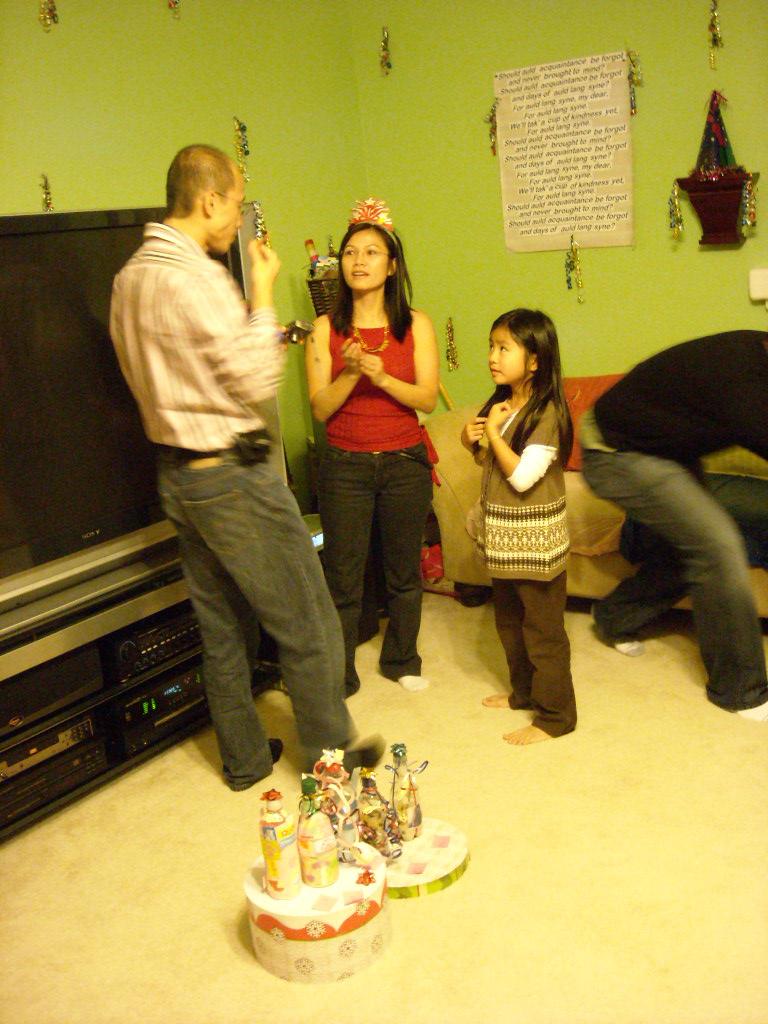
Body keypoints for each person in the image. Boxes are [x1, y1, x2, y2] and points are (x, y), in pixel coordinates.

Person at [109, 144, 382, 791]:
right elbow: (256, 377)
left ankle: (244, 759)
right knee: (307, 613)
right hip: (232, 473)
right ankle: (331, 758)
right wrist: (259, 292)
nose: (241, 218)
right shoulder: (196, 279)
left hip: (179, 475)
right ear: (208, 200)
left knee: (222, 624)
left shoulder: (130, 278)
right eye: (236, 202)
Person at [579, 330, 768, 720]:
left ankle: (615, 617)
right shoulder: (743, 382)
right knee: (717, 547)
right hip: (615, 454)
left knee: (691, 547)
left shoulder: (756, 353)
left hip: (662, 449)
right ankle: (740, 690)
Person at [305, 199, 439, 696]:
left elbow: (425, 397)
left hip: (404, 461)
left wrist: (381, 377)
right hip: (344, 467)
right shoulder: (324, 330)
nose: (358, 261)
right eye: (350, 253)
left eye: (371, 252)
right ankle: (339, 674)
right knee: (343, 579)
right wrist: (352, 372)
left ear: (392, 265)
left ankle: (402, 658)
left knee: (404, 572)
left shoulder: (416, 325)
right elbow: (320, 408)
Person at [461, 309, 577, 745]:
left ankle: (555, 717)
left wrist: (492, 435)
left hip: (535, 543)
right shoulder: (503, 403)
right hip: (505, 538)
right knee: (509, 622)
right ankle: (524, 693)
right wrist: (472, 440)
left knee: (543, 631)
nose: (493, 356)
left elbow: (523, 477)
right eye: (491, 345)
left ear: (534, 360)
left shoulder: (547, 411)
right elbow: (491, 464)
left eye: (504, 347)